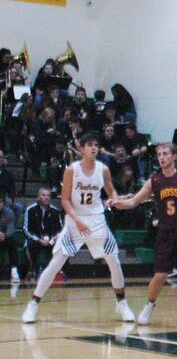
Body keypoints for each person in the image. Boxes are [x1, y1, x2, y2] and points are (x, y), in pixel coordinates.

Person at [21, 133, 135, 324]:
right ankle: (33, 304)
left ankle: (122, 302)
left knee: (113, 260)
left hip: (97, 221)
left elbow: (110, 189)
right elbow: (65, 199)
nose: (94, 148)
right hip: (75, 221)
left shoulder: (103, 169)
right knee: (56, 262)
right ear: (81, 149)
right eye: (89, 145)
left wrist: (114, 198)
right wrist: (77, 220)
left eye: (96, 145)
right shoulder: (72, 170)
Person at [109, 143, 177, 329]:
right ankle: (149, 306)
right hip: (165, 233)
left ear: (173, 156)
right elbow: (134, 201)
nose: (161, 157)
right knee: (159, 275)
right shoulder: (154, 181)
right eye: (159, 154)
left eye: (165, 153)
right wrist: (118, 203)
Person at [23, 187, 62, 280]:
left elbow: (60, 230)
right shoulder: (30, 210)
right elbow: (26, 229)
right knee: (30, 244)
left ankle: (57, 271)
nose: (46, 197)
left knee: (61, 244)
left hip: (50, 239)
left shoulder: (55, 211)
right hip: (35, 238)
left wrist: (52, 239)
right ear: (38, 197)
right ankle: (32, 269)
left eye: (48, 195)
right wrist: (39, 240)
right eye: (43, 195)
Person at [0, 196, 20, 282]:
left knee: (12, 242)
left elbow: (11, 228)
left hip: (5, 237)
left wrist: (4, 235)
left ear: (3, 203)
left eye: (0, 202)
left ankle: (14, 271)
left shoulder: (9, 212)